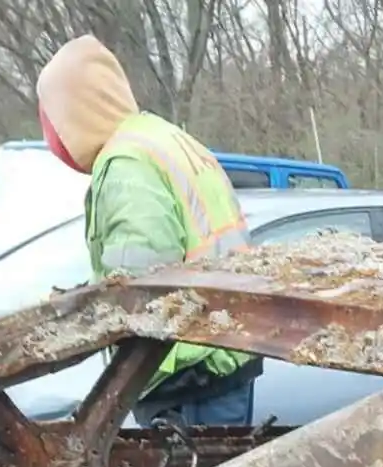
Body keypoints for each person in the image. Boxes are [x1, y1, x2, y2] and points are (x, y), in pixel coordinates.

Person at [37, 34, 259, 426]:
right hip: (223, 349)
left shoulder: (127, 163)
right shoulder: (162, 138)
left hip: (186, 365)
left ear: (76, 111)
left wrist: (86, 318)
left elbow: (137, 286)